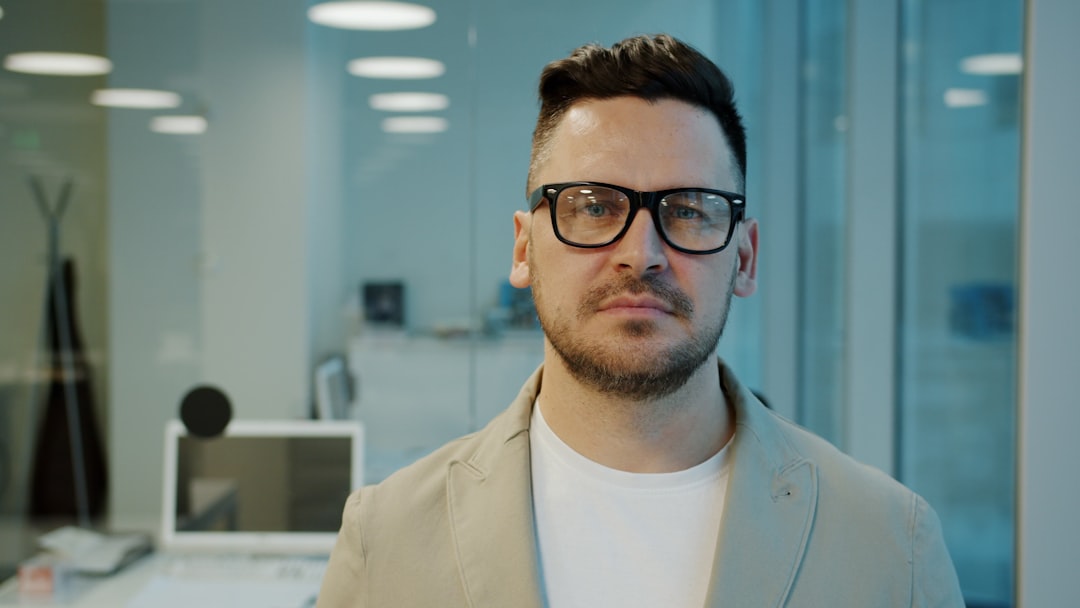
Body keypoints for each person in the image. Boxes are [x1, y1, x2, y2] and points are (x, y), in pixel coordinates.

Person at [317, 34, 964, 607]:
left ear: (744, 258)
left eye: (689, 210)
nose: (641, 254)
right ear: (524, 249)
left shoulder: (889, 545)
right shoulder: (387, 538)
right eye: (593, 206)